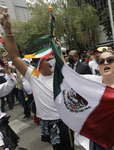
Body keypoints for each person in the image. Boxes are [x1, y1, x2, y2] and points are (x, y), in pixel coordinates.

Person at [0, 13, 74, 150]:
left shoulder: (61, 74)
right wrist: (8, 31)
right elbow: (14, 56)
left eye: (53, 57)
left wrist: (58, 51)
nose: (52, 60)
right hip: (46, 123)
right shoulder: (33, 75)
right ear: (39, 63)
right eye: (48, 58)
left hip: (63, 123)